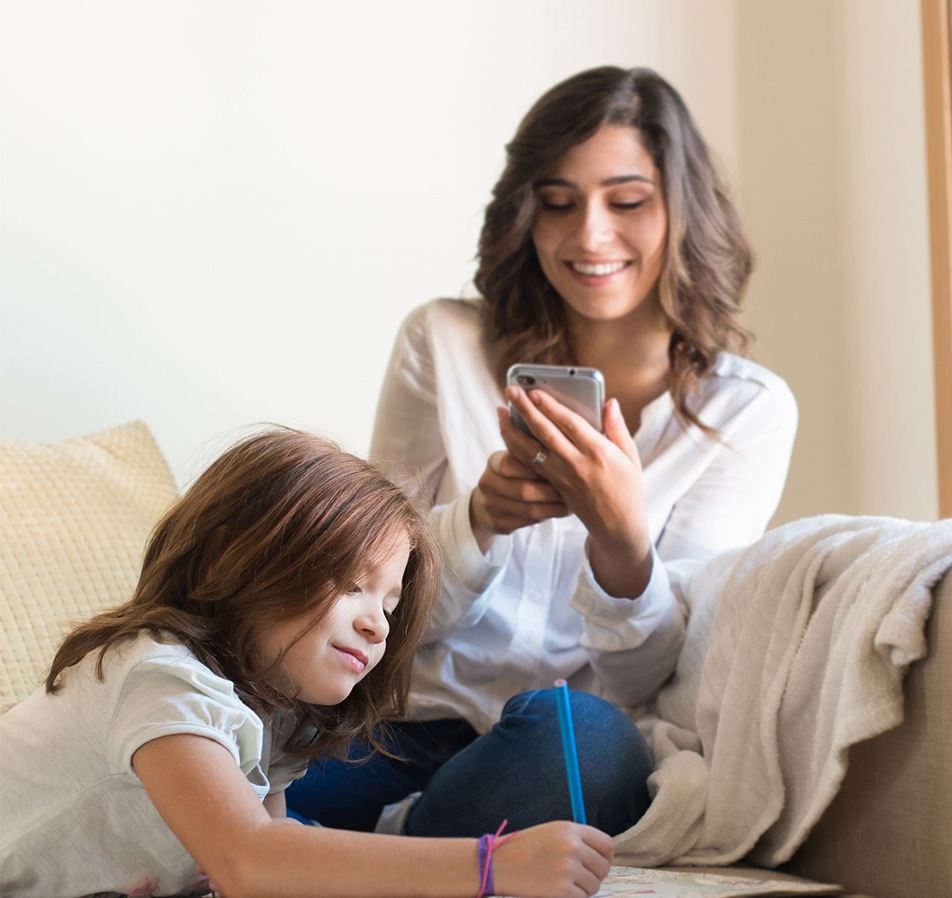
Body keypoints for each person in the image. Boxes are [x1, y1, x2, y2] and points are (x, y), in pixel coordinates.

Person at [288, 65, 798, 840]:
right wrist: (478, 520)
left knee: (591, 747)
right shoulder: (442, 343)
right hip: (396, 724)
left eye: (627, 202)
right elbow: (372, 607)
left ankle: (388, 849)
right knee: (193, 790)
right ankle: (397, 849)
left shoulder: (744, 412)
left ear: (683, 209)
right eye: (558, 203)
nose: (589, 235)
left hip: (556, 747)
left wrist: (623, 543)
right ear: (527, 213)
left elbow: (654, 677)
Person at [0, 429, 613, 898]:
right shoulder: (160, 678)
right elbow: (252, 862)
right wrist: (490, 864)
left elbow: (271, 874)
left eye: (391, 605)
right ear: (233, 561)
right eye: (351, 585)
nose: (379, 624)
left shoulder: (279, 715)